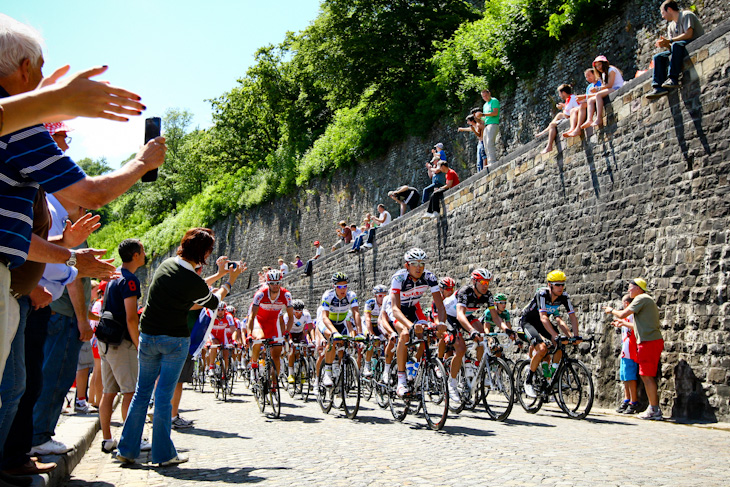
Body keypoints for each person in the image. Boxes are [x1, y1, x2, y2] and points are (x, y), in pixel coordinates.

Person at [0, 16, 166, 385]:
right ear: (26, 68)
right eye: (41, 71)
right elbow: (91, 193)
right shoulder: (18, 129)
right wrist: (142, 162)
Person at [116, 228, 243, 466]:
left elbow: (195, 285)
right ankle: (163, 455)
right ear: (203, 253)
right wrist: (228, 281)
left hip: (148, 336)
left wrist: (216, 275)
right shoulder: (191, 281)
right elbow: (213, 300)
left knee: (142, 393)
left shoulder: (166, 265)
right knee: (164, 396)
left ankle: (127, 448)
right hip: (174, 339)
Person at [98, 239, 146, 455]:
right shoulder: (130, 281)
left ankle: (107, 439)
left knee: (108, 393)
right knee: (130, 392)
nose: (145, 254)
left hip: (105, 340)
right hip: (121, 342)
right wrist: (139, 344)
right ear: (135, 255)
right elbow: (131, 318)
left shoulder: (113, 276)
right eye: (143, 251)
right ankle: (131, 440)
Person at [388, 248, 446, 397]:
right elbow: (395, 308)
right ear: (407, 265)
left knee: (426, 334)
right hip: (398, 310)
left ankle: (414, 365)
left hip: (414, 308)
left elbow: (440, 306)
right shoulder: (399, 278)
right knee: (406, 334)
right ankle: (401, 381)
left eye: (422, 263)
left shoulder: (429, 277)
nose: (419, 267)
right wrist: (411, 325)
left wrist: (441, 323)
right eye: (414, 263)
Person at [604, 278, 664, 420]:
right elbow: (637, 325)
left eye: (631, 287)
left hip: (648, 342)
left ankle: (654, 409)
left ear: (638, 288)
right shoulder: (644, 300)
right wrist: (623, 323)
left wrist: (611, 310)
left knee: (646, 375)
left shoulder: (641, 298)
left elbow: (623, 313)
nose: (629, 290)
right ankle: (653, 408)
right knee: (645, 375)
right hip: (649, 341)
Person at [519, 270, 582, 398]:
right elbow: (543, 317)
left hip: (543, 324)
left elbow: (572, 317)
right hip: (529, 321)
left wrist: (575, 336)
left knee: (560, 345)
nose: (560, 288)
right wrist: (555, 335)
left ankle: (551, 377)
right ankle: (528, 380)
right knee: (542, 349)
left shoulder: (564, 296)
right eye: (557, 285)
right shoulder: (542, 294)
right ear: (550, 285)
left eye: (562, 285)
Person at [647, 0, 704, 99]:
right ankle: (658, 87)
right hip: (679, 47)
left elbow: (689, 34)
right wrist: (666, 44)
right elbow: (672, 47)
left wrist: (671, 40)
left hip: (694, 42)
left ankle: (673, 78)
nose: (663, 17)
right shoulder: (671, 26)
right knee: (658, 57)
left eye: (663, 13)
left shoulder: (686, 15)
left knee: (676, 45)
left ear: (669, 9)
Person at [315, 272, 361, 387]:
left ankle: (337, 366)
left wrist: (359, 333)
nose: (343, 289)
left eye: (345, 286)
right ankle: (327, 372)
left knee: (343, 345)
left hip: (340, 322)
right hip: (327, 322)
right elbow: (324, 317)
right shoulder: (328, 295)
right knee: (333, 338)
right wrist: (334, 332)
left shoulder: (351, 295)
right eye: (340, 286)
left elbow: (356, 313)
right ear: (334, 287)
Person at [248, 269, 294, 382]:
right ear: (268, 283)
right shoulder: (260, 294)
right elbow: (252, 317)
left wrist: (287, 332)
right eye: (272, 283)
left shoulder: (286, 295)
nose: (275, 285)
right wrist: (249, 334)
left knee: (276, 354)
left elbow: (291, 317)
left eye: (277, 283)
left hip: (273, 322)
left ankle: (274, 384)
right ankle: (254, 364)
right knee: (259, 339)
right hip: (259, 320)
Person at [610, 294, 640, 415]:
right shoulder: (627, 317)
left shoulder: (633, 315)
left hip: (631, 349)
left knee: (630, 376)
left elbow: (635, 327)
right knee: (624, 376)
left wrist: (613, 312)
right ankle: (627, 399)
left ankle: (634, 401)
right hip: (625, 349)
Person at [580, 56, 624, 129]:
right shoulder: (603, 74)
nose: (598, 67)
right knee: (590, 100)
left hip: (617, 87)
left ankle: (599, 118)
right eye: (597, 66)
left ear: (604, 63)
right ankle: (589, 120)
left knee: (598, 95)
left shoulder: (611, 70)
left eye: (599, 65)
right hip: (610, 89)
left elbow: (610, 85)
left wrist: (597, 89)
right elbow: (604, 86)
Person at [537, 84, 579, 154]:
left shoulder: (571, 99)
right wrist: (564, 106)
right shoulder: (570, 98)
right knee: (559, 115)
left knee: (552, 125)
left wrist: (562, 108)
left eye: (560, 93)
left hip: (574, 116)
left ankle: (549, 146)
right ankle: (544, 131)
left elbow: (566, 115)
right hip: (572, 115)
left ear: (564, 93)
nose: (559, 95)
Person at [563, 69, 602, 138]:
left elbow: (598, 94)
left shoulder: (600, 83)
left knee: (583, 105)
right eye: (586, 77)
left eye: (589, 76)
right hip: (589, 102)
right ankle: (572, 128)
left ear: (594, 74)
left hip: (596, 101)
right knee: (573, 110)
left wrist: (584, 97)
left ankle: (578, 128)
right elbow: (587, 97)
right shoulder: (589, 87)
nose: (588, 78)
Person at [284, 299, 314, 384]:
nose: (298, 314)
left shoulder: (306, 315)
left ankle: (302, 370)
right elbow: (286, 330)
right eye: (296, 312)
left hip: (300, 333)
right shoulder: (288, 316)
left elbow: (310, 328)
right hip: (290, 333)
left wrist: (313, 340)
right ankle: (291, 373)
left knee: (304, 349)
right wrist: (289, 340)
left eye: (300, 312)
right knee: (292, 350)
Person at [481, 89, 500, 167]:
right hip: (487, 125)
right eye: (483, 96)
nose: (485, 97)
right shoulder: (485, 105)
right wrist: (478, 118)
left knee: (489, 143)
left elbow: (495, 113)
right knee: (485, 145)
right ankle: (490, 162)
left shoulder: (494, 101)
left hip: (493, 124)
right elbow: (485, 118)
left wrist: (482, 114)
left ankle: (492, 162)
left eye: (486, 95)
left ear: (489, 93)